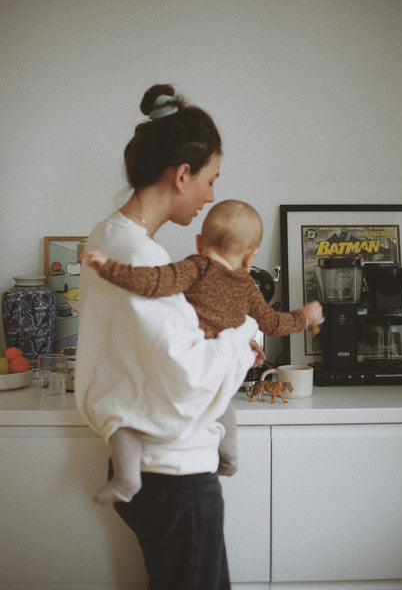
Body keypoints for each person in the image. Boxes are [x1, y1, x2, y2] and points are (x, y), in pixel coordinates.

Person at [75, 84, 265, 590]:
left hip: (150, 467)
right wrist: (245, 331)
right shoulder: (142, 258)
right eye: (210, 180)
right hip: (175, 475)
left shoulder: (107, 237)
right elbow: (189, 379)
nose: (211, 196)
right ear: (183, 175)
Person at [82, 199, 322, 505]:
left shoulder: (194, 267)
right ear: (250, 258)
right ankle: (230, 458)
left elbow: (153, 282)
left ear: (199, 242)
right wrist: (306, 316)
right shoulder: (249, 287)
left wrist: (109, 268)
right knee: (223, 407)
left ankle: (126, 477)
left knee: (124, 414)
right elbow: (275, 323)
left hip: (189, 364)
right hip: (215, 375)